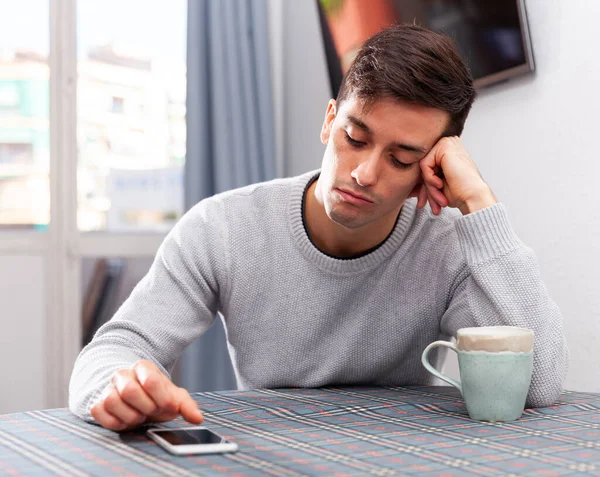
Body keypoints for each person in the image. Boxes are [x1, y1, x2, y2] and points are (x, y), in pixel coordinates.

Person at [69, 24, 568, 432]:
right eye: (355, 137)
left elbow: (541, 382)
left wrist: (479, 202)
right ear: (330, 121)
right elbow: (115, 348)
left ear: (430, 167)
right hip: (267, 454)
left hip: (404, 455)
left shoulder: (449, 248)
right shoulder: (222, 228)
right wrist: (122, 385)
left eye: (400, 159)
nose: (365, 173)